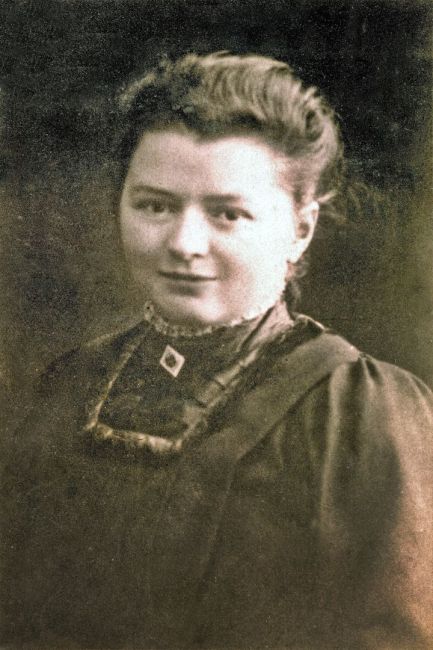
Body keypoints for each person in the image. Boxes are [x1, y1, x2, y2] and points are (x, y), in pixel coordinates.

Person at [1, 52, 432, 650]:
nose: (184, 243)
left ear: (300, 228)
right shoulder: (70, 384)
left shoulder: (359, 416)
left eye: (228, 214)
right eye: (155, 205)